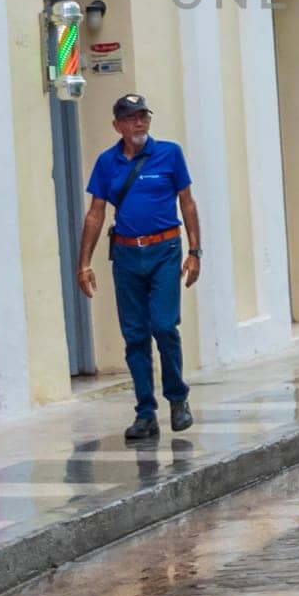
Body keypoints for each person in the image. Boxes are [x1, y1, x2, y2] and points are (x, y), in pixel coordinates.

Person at [77, 94, 202, 441]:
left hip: (165, 249)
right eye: (131, 118)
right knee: (134, 335)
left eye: (144, 116)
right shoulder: (107, 162)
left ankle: (178, 398)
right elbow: (95, 213)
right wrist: (83, 263)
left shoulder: (170, 154)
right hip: (127, 255)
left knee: (163, 326)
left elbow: (187, 203)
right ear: (117, 125)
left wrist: (195, 252)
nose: (139, 123)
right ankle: (145, 412)